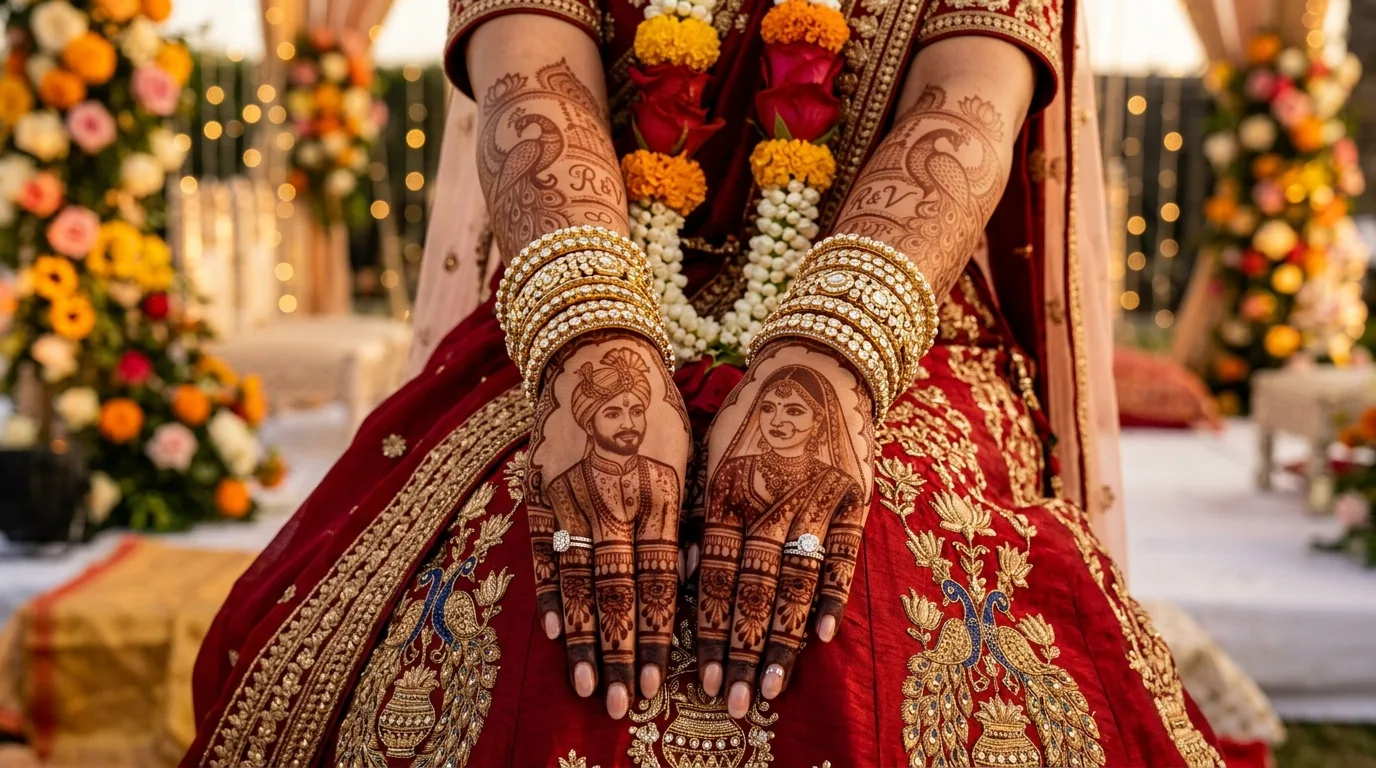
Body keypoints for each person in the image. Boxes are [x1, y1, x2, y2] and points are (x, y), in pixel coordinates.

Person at [183, 0, 1225, 766]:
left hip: (891, 309)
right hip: (584, 283)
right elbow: (526, 67)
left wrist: (827, 363)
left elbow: (966, 103)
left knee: (856, 571)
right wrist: (595, 356)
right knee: (539, 541)